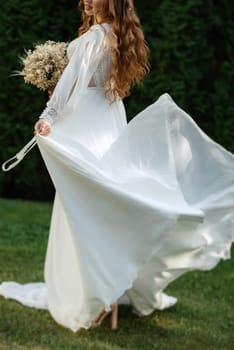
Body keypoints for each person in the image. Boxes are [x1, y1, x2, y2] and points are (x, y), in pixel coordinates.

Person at [0, 0, 234, 333]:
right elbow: (93, 84)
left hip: (86, 124)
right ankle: (106, 289)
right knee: (100, 202)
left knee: (83, 204)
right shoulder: (120, 37)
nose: (89, 1)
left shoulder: (96, 36)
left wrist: (49, 114)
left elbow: (74, 82)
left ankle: (94, 294)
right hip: (108, 121)